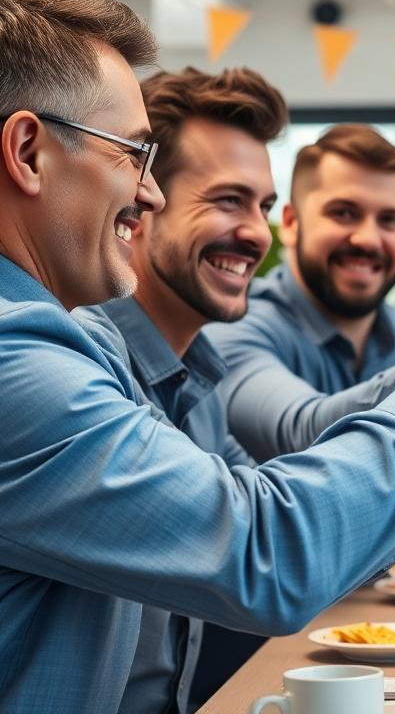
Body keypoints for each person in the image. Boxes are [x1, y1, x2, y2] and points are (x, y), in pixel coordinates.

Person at [0, 0, 395, 712]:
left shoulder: (133, 361)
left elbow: (287, 524)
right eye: (135, 156)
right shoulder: (18, 354)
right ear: (28, 152)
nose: (151, 196)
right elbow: (270, 550)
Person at [70, 66, 288, 713]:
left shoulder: (197, 375)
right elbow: (262, 555)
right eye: (228, 200)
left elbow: (277, 521)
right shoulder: (80, 366)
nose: (257, 233)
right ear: (142, 203)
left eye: (264, 207)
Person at [206, 124, 395, 463]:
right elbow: (303, 434)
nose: (368, 239)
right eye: (344, 213)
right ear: (292, 224)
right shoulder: (234, 327)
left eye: (390, 220)